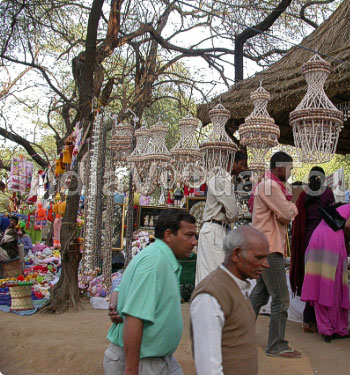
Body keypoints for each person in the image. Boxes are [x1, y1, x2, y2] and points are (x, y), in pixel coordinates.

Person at [103, 209, 198, 375]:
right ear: (169, 235)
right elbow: (134, 317)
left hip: (159, 360)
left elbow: (122, 287)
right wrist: (131, 370)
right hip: (142, 362)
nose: (194, 242)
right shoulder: (155, 262)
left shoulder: (159, 257)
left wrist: (115, 300)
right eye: (189, 235)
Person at [190, 226, 270, 375]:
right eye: (259, 257)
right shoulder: (211, 295)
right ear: (236, 254)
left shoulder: (237, 286)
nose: (266, 264)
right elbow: (209, 369)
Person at [249, 151, 300, 358]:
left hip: (264, 246)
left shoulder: (268, 185)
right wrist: (294, 203)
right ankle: (276, 345)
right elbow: (287, 214)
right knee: (281, 297)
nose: (290, 172)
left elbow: (282, 215)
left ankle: (235, 333)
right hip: (269, 248)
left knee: (260, 294)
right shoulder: (270, 186)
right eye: (289, 168)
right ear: (281, 167)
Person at [301, 202, 350, 342]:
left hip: (317, 238)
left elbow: (347, 242)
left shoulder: (340, 211)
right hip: (332, 241)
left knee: (320, 284)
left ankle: (326, 329)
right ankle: (338, 328)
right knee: (335, 285)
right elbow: (349, 226)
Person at [290, 166, 335, 333]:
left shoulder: (303, 195)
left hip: (306, 240)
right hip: (323, 240)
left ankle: (307, 320)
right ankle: (316, 318)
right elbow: (332, 216)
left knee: (310, 278)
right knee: (321, 279)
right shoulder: (327, 194)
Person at [195, 151, 246, 285]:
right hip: (214, 231)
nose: (242, 168)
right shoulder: (222, 180)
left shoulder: (222, 179)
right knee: (213, 276)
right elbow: (234, 213)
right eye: (240, 164)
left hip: (217, 229)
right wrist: (230, 215)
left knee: (212, 275)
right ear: (231, 163)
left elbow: (231, 212)